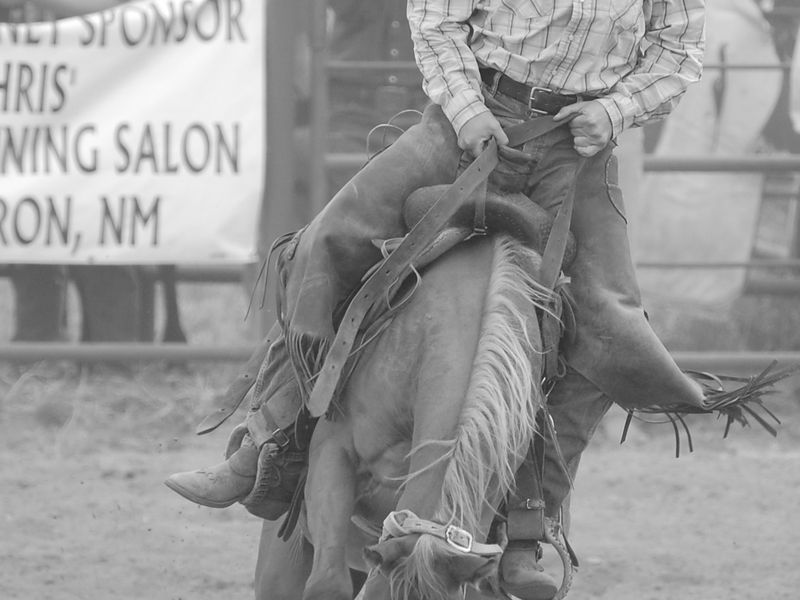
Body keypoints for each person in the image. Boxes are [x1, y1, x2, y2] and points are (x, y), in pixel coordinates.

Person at [167, 2, 712, 598]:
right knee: (327, 241)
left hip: (576, 151)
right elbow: (435, 18)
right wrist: (469, 107)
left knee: (618, 336)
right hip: (470, 119)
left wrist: (616, 110)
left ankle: (530, 523)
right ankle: (270, 435)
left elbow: (676, 48)